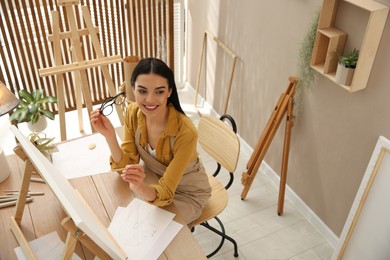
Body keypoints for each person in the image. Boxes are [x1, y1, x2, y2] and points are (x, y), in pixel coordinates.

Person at [90, 58, 211, 225]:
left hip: (187, 192)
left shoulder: (186, 132)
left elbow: (167, 191)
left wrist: (139, 187)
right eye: (142, 91)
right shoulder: (133, 112)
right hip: (154, 179)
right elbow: (126, 166)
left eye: (159, 92)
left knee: (150, 229)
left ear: (169, 92)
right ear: (133, 89)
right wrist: (110, 136)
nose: (150, 99)